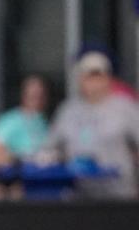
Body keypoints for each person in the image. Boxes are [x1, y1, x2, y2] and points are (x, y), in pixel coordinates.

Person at [39, 51, 139, 199]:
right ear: (80, 80)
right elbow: (49, 149)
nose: (93, 82)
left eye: (98, 76)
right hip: (78, 195)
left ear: (108, 78)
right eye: (88, 77)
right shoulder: (68, 110)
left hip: (118, 194)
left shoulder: (125, 108)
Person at [0, 75, 50, 168]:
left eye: (41, 96)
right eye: (33, 96)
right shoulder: (10, 121)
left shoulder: (44, 121)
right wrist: (13, 162)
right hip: (21, 178)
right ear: (24, 96)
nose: (38, 100)